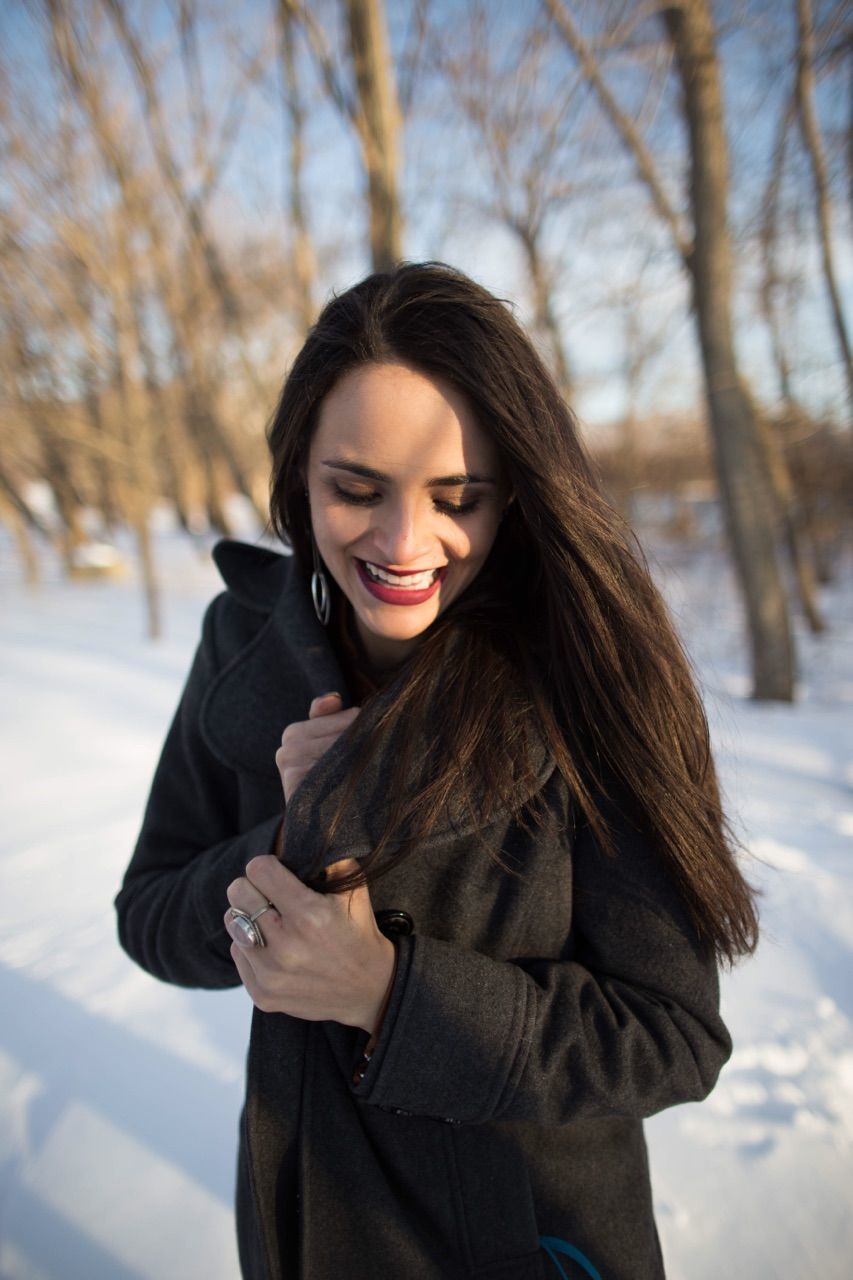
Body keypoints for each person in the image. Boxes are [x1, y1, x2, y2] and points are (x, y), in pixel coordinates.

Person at [115, 260, 761, 1280]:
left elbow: (670, 1035)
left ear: (515, 492)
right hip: (298, 1225)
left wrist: (388, 992)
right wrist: (288, 841)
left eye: (457, 496)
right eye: (356, 489)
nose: (404, 542)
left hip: (524, 1241)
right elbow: (150, 913)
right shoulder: (245, 637)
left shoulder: (586, 667)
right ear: (298, 474)